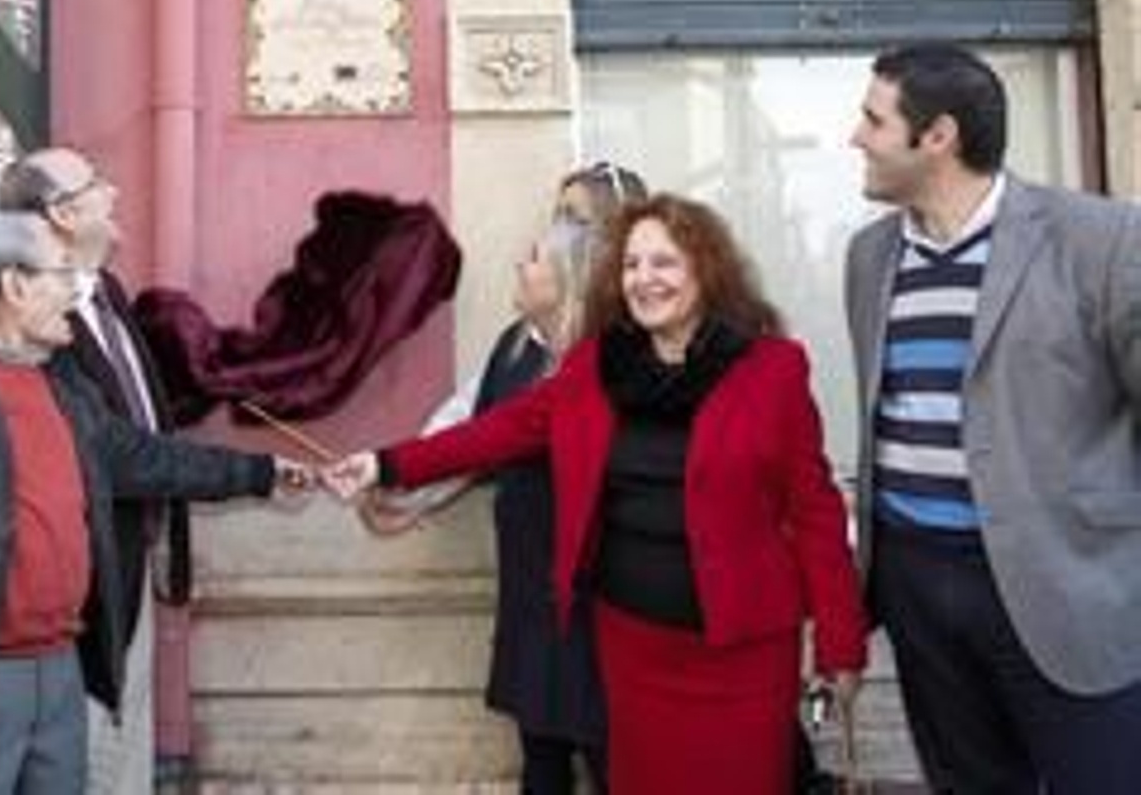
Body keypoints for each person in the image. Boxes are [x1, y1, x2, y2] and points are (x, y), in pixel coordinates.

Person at [326, 194, 867, 795]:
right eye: (632, 265)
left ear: (705, 269)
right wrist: (384, 464)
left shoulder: (773, 369)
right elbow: (498, 430)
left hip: (742, 656)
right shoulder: (594, 367)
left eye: (664, 262)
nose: (644, 279)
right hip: (633, 650)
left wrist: (840, 649)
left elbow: (817, 515)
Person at [0, 212, 310, 795]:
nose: (78, 291)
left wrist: (263, 473)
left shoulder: (66, 386)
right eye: (64, 273)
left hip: (61, 676)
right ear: (14, 286)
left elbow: (145, 459)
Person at [845, 42, 1141, 793]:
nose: (856, 137)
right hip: (916, 583)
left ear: (937, 136)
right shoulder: (869, 256)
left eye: (873, 120)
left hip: (1067, 588)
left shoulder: (1100, 240)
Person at [363, 219, 609, 793]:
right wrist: (404, 492)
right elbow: (471, 437)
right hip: (530, 592)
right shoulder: (515, 346)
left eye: (533, 257)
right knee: (541, 758)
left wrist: (391, 472)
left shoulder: (603, 363)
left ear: (570, 278)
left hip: (593, 602)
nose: (518, 266)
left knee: (610, 759)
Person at [0, 147, 179, 790]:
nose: (117, 192)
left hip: (131, 563)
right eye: (99, 184)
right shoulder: (38, 321)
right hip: (82, 590)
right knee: (93, 764)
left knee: (126, 754)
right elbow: (113, 453)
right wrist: (258, 472)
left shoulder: (108, 293)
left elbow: (139, 413)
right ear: (65, 214)